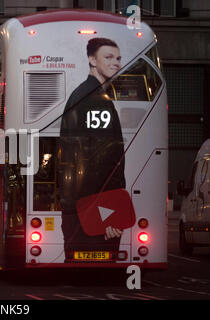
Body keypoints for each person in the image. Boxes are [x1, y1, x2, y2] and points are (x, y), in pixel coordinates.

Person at [58, 38, 126, 258]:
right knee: (98, 276)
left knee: (82, 276)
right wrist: (106, 215)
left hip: (79, 207)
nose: (115, 63)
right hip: (91, 211)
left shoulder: (84, 95)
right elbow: (99, 161)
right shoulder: (95, 100)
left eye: (118, 58)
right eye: (108, 57)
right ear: (92, 60)